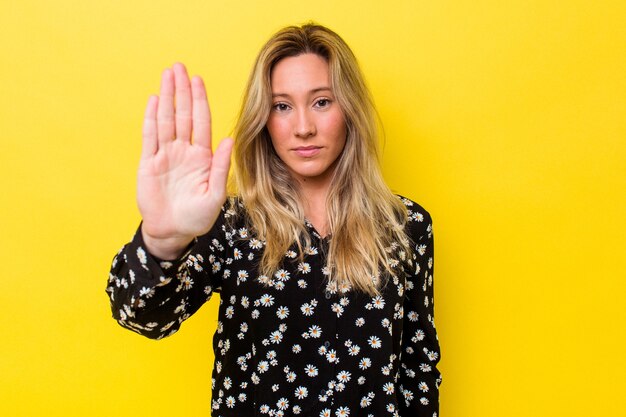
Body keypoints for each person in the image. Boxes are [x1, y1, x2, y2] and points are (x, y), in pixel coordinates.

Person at [106, 23, 441, 417]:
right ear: (263, 118)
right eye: (282, 106)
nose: (303, 127)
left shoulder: (406, 225)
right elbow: (144, 317)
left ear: (349, 108)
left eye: (322, 102)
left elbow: (418, 370)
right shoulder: (229, 225)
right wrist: (162, 240)